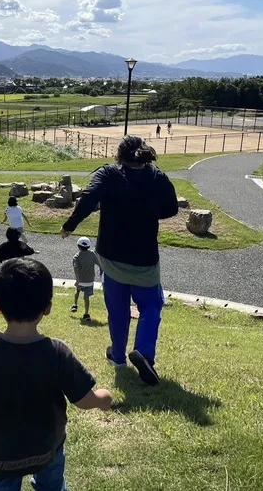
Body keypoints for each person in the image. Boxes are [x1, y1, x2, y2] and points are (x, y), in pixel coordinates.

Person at [0, 259, 112, 491]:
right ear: (47, 308)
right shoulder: (57, 352)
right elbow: (83, 400)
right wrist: (103, 399)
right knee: (51, 485)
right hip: (46, 449)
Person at [61, 135, 178, 386]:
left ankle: (117, 355)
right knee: (151, 306)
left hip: (111, 257)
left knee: (118, 310)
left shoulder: (109, 174)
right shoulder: (156, 176)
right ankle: (144, 352)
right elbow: (172, 208)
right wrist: (147, 214)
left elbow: (89, 199)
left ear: (119, 156)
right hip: (145, 258)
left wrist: (69, 225)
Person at [70, 236, 100, 323]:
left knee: (78, 291)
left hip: (80, 280)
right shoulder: (92, 254)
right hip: (90, 280)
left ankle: (75, 304)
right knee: (86, 297)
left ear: (78, 246)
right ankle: (86, 314)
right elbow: (99, 263)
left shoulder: (76, 256)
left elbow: (76, 268)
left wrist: (77, 280)